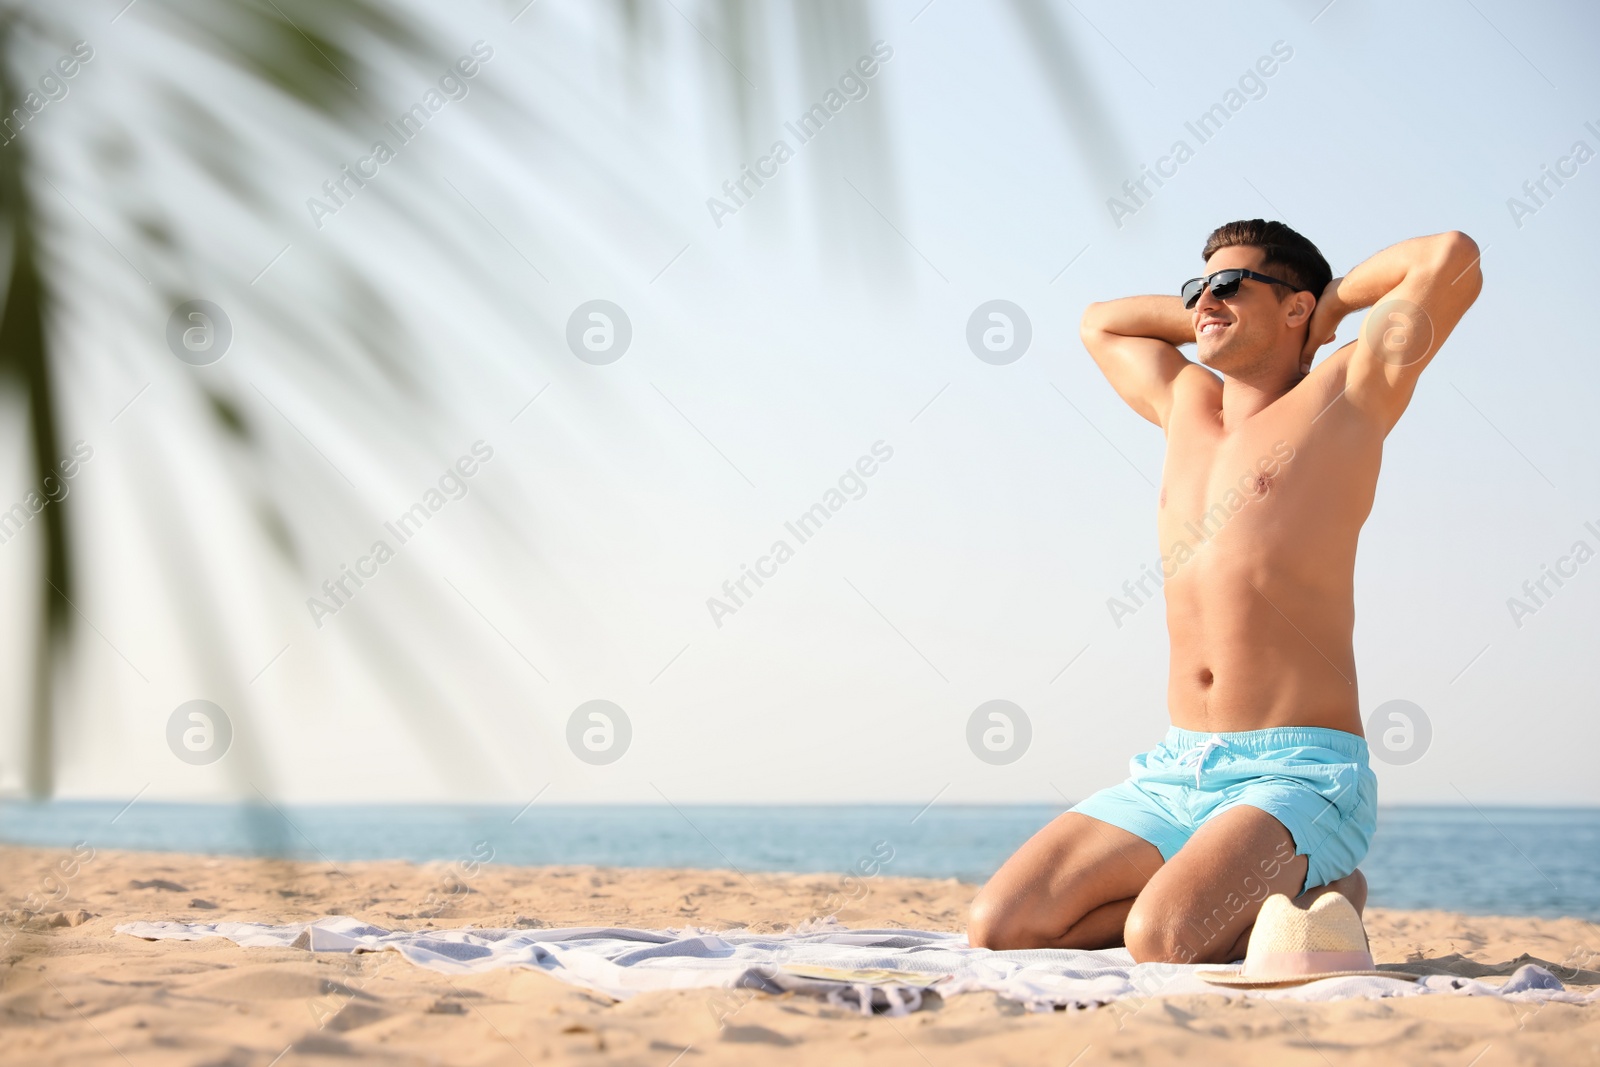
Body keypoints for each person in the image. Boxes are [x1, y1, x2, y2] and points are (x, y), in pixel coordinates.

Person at [967, 220, 1483, 963]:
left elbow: (1451, 259)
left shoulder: (1350, 389)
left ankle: (1327, 890)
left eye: (1231, 283)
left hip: (1299, 770)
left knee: (1164, 937)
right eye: (1197, 286)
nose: (1206, 298)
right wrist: (1217, 308)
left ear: (1296, 307)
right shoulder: (1183, 401)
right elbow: (1099, 323)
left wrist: (1332, 308)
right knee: (999, 925)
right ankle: (1240, 897)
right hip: (1176, 766)